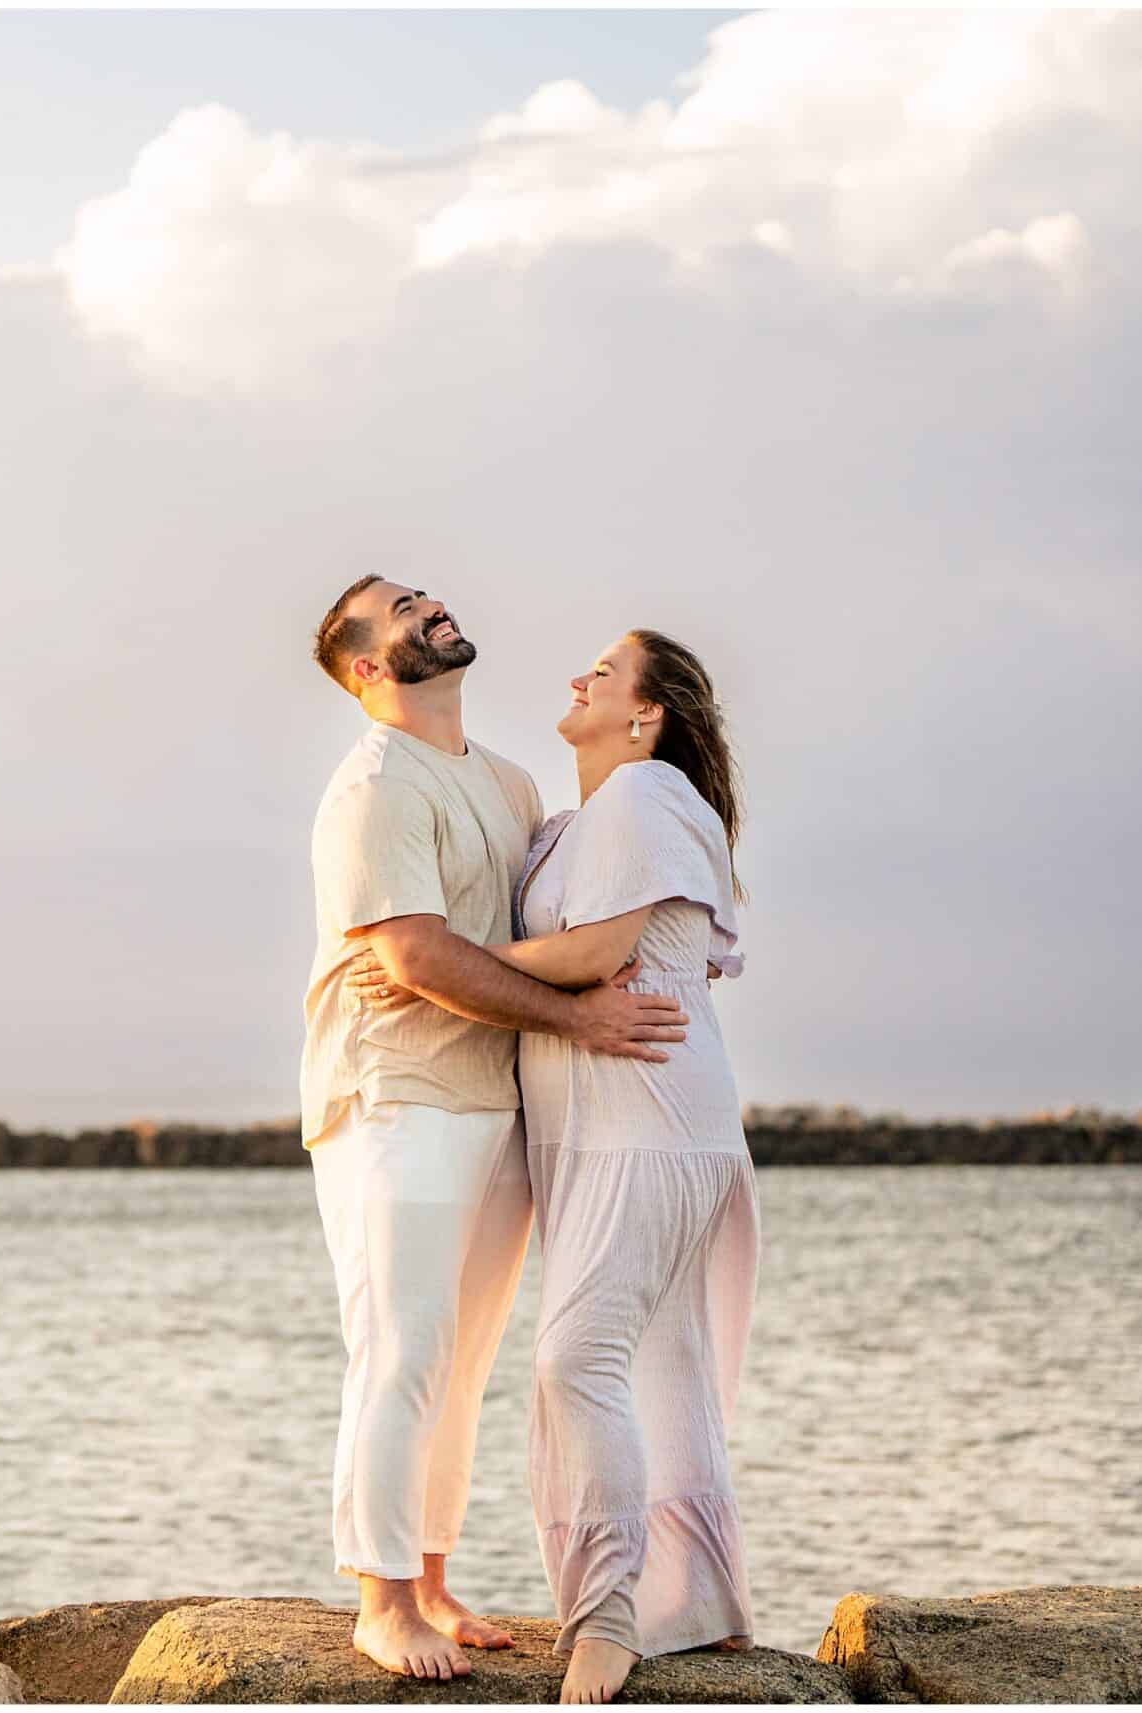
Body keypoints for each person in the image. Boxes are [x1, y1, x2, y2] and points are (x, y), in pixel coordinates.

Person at [348, 627, 757, 1705]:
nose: (577, 677)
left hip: (650, 1114)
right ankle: (700, 1598)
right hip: (590, 1127)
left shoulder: (643, 796)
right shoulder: (572, 822)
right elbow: (569, 960)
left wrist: (427, 968)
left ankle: (608, 1618)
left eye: (606, 673)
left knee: (575, 1360)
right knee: (658, 1360)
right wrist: (441, 964)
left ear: (646, 715)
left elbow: (587, 959)